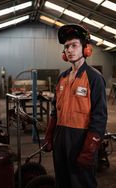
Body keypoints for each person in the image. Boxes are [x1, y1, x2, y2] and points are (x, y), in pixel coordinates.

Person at [44, 23, 107, 188]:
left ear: (86, 49)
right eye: (66, 47)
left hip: (81, 140)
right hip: (60, 139)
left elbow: (99, 118)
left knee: (82, 183)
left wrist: (89, 149)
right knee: (62, 181)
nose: (69, 50)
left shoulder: (94, 78)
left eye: (74, 45)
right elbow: (55, 111)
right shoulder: (62, 78)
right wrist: (50, 135)